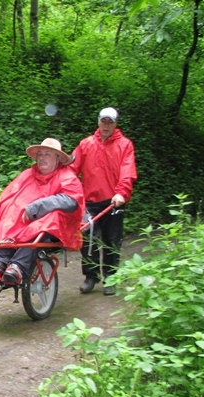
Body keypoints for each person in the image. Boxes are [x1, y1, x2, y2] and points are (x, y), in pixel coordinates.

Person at [0, 138, 84, 285]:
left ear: (58, 158)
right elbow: (8, 196)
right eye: (40, 154)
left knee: (49, 217)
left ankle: (18, 267)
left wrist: (38, 207)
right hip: (23, 223)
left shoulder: (67, 177)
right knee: (9, 208)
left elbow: (71, 201)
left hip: (53, 227)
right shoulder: (28, 174)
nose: (42, 158)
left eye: (47, 154)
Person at [69, 107, 137, 295]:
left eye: (110, 122)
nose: (106, 125)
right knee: (88, 240)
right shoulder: (85, 144)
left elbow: (127, 172)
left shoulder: (125, 145)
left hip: (114, 201)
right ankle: (91, 276)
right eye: (103, 121)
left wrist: (122, 193)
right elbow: (71, 170)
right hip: (89, 202)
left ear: (116, 124)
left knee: (112, 241)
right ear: (98, 122)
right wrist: (68, 190)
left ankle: (110, 278)